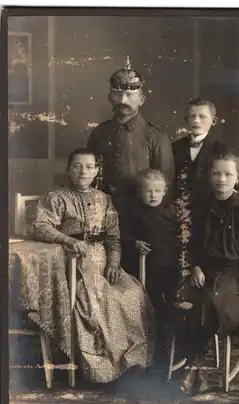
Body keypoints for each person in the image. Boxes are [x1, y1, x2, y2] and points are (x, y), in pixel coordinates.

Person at [31, 148, 155, 384]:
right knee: (96, 301)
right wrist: (67, 239)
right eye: (77, 166)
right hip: (73, 263)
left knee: (132, 293)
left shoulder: (104, 199)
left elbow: (113, 236)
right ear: (69, 169)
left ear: (97, 171)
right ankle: (101, 368)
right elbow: (40, 226)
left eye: (89, 166)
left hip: (103, 261)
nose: (83, 171)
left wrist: (114, 263)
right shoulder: (57, 198)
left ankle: (130, 361)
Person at [87, 56, 175, 276]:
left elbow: (166, 187)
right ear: (110, 97)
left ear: (141, 99)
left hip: (142, 221)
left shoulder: (156, 137)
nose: (123, 99)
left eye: (130, 94)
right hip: (104, 214)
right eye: (117, 94)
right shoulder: (99, 134)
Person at [179, 152, 239, 394]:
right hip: (204, 268)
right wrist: (195, 266)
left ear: (238, 177)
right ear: (209, 176)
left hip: (231, 271)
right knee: (187, 298)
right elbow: (189, 242)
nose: (221, 179)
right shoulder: (201, 206)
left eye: (227, 174)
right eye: (216, 173)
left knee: (214, 300)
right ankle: (198, 369)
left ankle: (194, 365)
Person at [172, 97, 239, 302]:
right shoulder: (175, 148)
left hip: (211, 216)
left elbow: (234, 187)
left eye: (202, 116)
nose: (196, 120)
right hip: (180, 216)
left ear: (213, 120)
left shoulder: (222, 148)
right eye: (192, 116)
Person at [123, 169, 179, 361]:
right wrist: (134, 243)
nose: (153, 195)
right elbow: (123, 236)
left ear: (165, 192)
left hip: (168, 268)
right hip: (142, 269)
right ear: (139, 192)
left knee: (169, 306)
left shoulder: (171, 212)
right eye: (148, 191)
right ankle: (144, 348)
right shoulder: (134, 213)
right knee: (147, 305)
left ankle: (166, 346)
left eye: (157, 190)